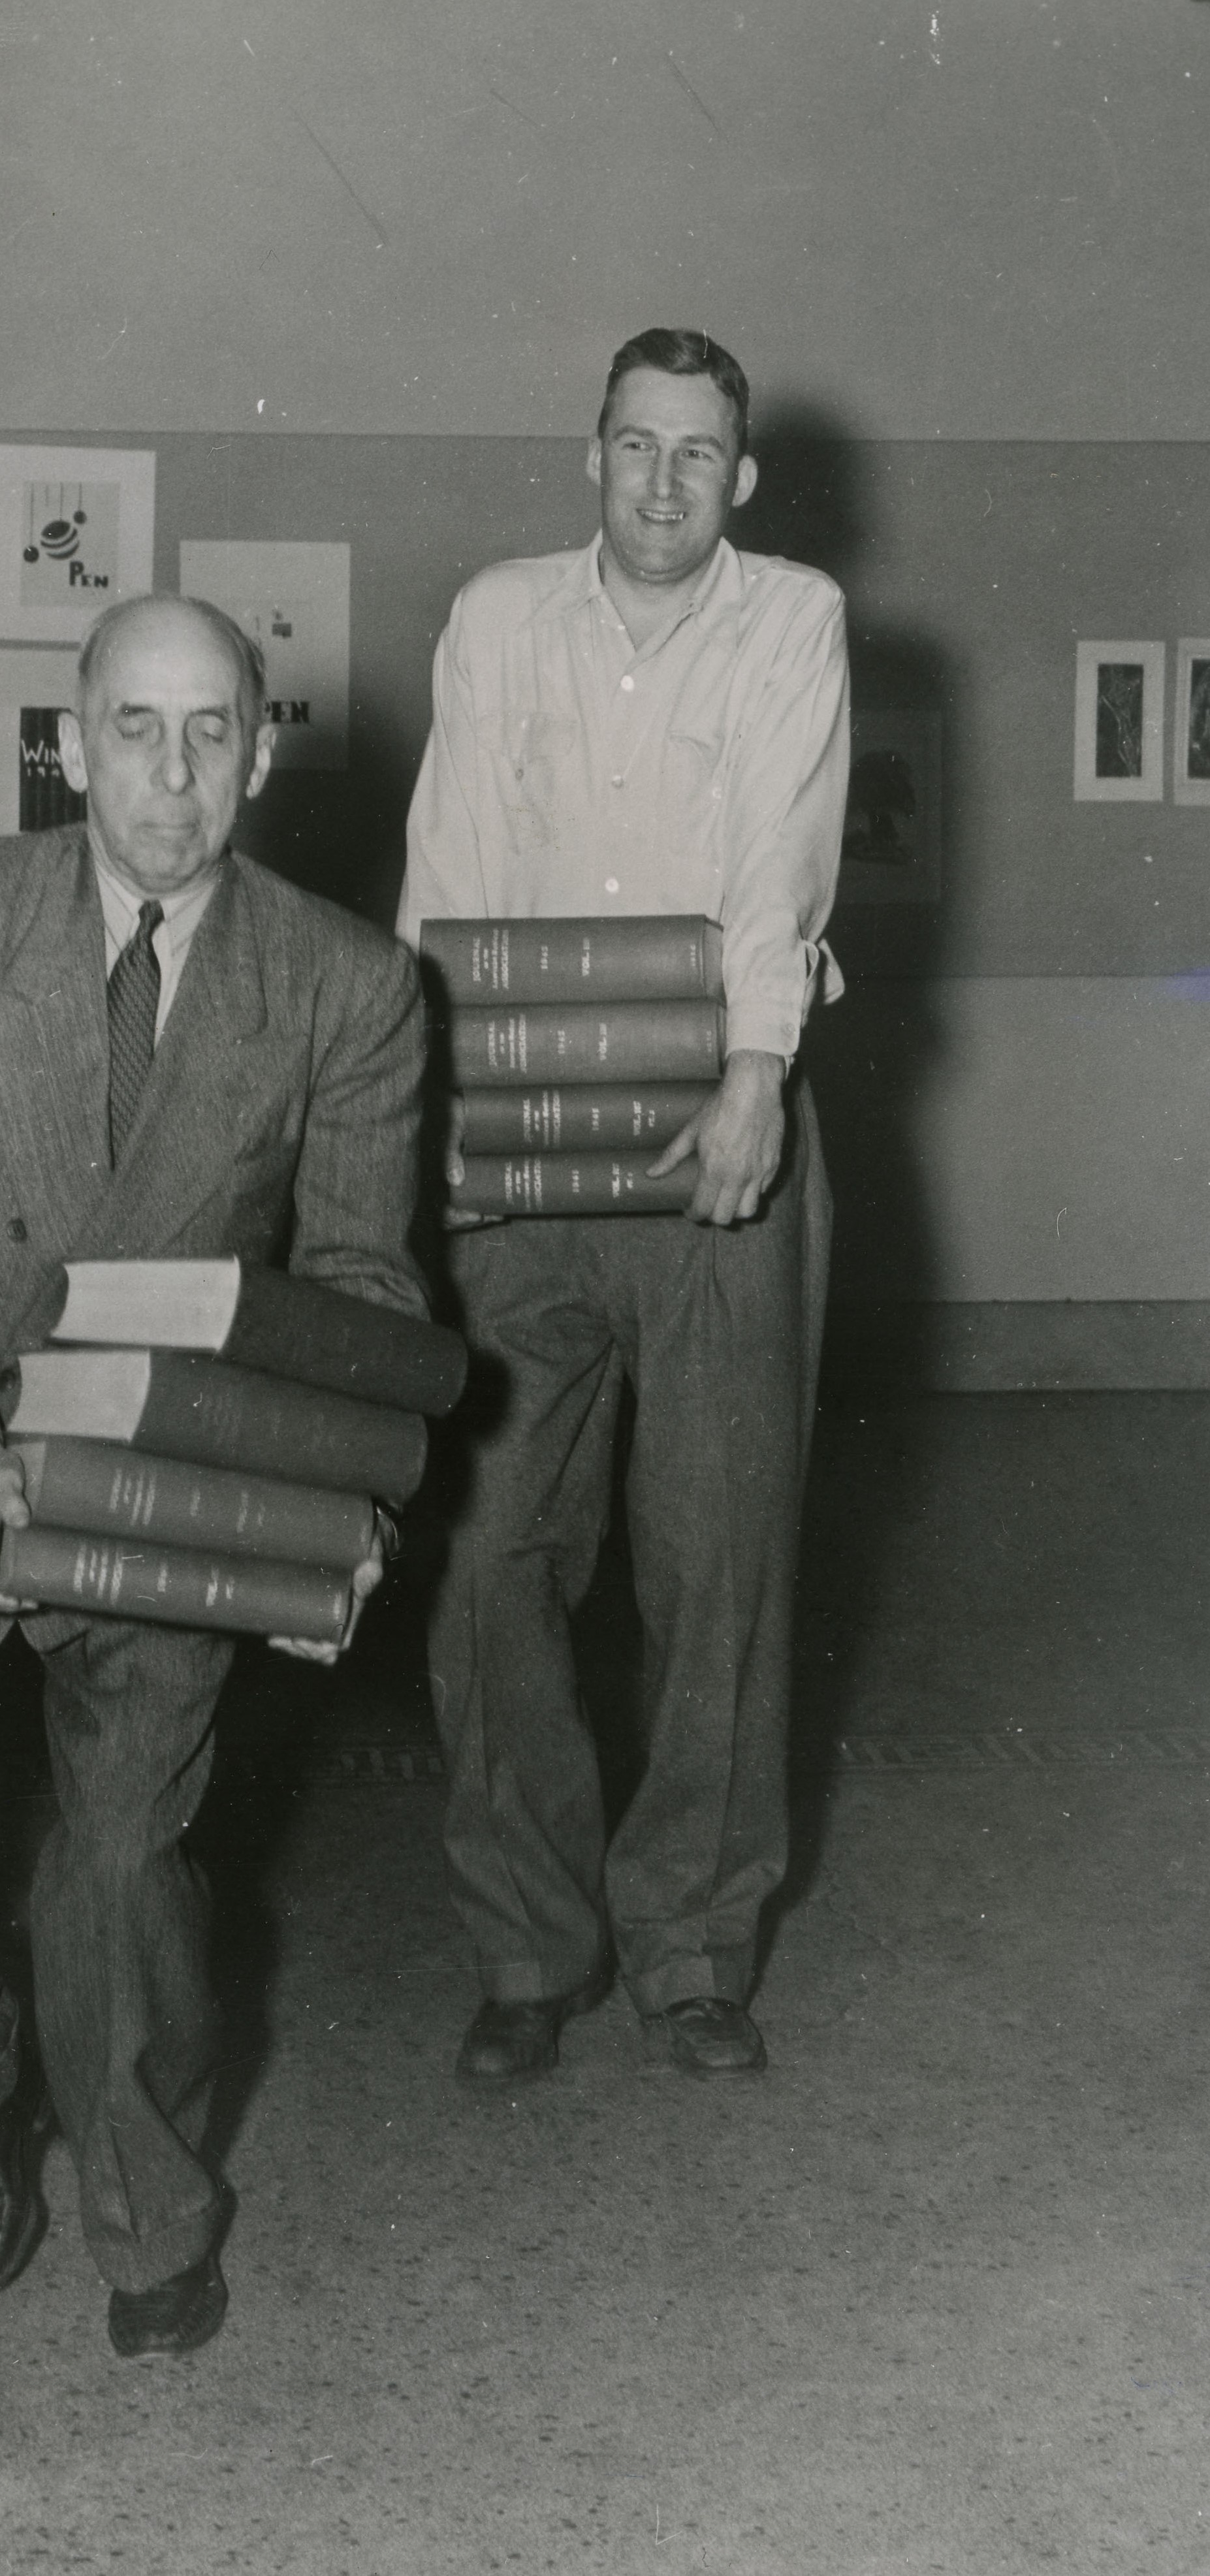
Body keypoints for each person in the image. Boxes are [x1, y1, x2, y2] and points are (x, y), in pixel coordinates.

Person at [0, 595, 425, 2356]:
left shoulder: (349, 985)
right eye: (133, 728)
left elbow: (362, 1299)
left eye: (210, 730)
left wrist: (322, 1519)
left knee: (116, 1876)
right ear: (67, 744)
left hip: (164, 1480)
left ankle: (150, 2218)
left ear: (261, 750)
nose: (171, 772)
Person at [398, 327, 848, 2090]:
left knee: (716, 1556)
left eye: (697, 455)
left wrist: (751, 1079)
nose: (660, 484)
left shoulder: (786, 619)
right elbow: (444, 869)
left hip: (718, 1133)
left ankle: (688, 1943)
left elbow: (776, 865)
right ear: (588, 452)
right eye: (632, 446)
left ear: (739, 478)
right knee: (482, 1552)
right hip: (508, 1141)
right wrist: (421, 1102)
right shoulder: (498, 617)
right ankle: (526, 1940)